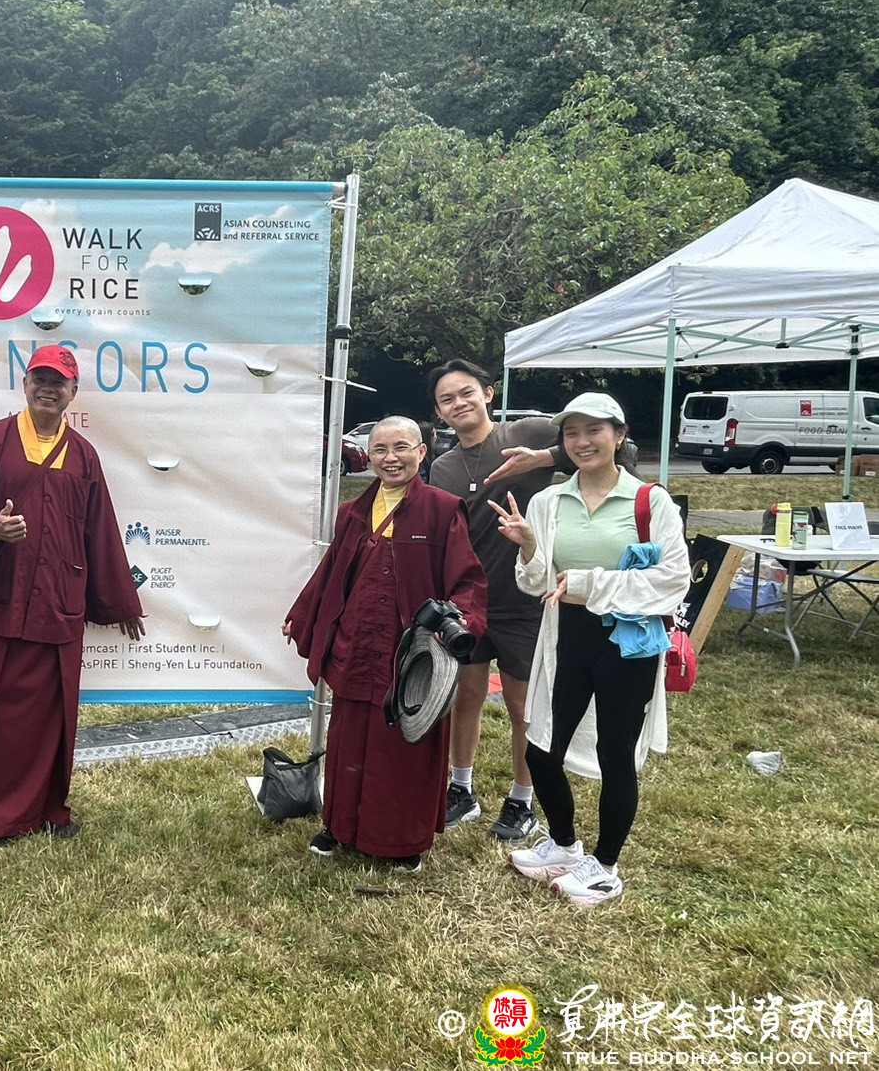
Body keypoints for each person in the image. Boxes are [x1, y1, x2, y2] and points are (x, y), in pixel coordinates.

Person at [0, 345, 145, 855]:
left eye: (59, 382)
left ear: (73, 392)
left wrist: (121, 601)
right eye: (41, 378)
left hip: (60, 603)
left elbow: (100, 530)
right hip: (4, 600)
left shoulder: (84, 455)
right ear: (25, 383)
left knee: (54, 717)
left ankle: (47, 810)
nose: (48, 389)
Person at [489, 393, 689, 907]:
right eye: (571, 432)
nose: (582, 442)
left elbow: (673, 580)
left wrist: (587, 583)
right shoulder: (548, 502)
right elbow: (536, 584)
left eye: (593, 430)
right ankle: (562, 844)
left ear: (619, 436)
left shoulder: (651, 502)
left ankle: (605, 866)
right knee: (541, 748)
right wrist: (529, 548)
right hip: (566, 637)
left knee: (614, 753)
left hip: (628, 641)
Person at [284, 417, 487, 871]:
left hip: (410, 650)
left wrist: (459, 622)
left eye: (401, 448)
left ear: (422, 452)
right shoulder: (352, 511)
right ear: (369, 456)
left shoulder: (442, 510)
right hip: (357, 641)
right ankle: (340, 826)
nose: (390, 458)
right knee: (349, 735)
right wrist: (302, 614)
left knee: (405, 741)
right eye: (379, 449)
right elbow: (332, 572)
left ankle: (401, 841)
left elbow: (467, 580)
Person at [426, 359, 576, 842]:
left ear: (488, 394)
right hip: (468, 603)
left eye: (466, 392)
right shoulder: (443, 467)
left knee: (520, 705)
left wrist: (542, 459)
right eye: (447, 400)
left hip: (523, 598)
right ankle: (461, 790)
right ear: (439, 413)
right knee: (465, 696)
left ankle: (521, 800)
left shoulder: (526, 431)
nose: (459, 404)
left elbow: (608, 448)